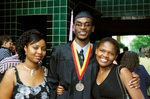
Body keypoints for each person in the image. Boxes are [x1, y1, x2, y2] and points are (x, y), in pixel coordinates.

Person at [48, 2, 140, 99]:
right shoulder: (59, 52)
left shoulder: (100, 52)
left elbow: (114, 71)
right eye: (79, 24)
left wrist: (131, 77)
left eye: (87, 24)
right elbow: (52, 82)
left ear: (92, 28)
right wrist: (57, 92)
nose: (83, 27)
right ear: (73, 27)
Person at [0, 29, 50, 99]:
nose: (40, 52)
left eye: (43, 49)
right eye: (35, 48)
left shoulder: (45, 72)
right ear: (25, 48)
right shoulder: (12, 73)